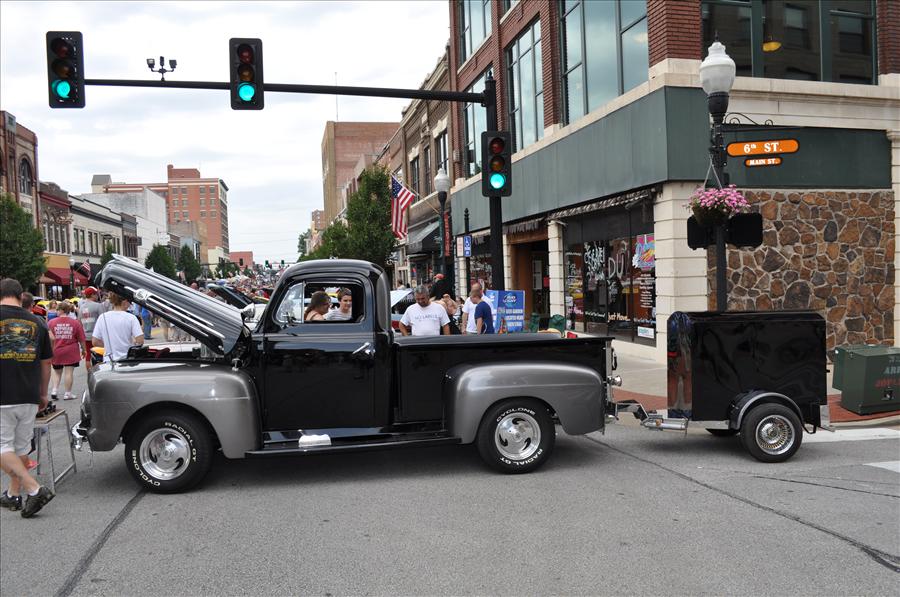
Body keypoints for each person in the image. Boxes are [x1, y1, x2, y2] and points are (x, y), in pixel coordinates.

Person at [0, 278, 55, 517]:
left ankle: (34, 489)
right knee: (20, 448)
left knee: (3, 447)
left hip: (3, 395)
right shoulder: (38, 322)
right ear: (21, 296)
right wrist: (43, 393)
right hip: (29, 394)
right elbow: (46, 363)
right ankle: (13, 494)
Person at [47, 301, 86, 401]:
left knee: (56, 372)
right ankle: (67, 393)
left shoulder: (51, 323)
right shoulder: (75, 323)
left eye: (57, 310)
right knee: (69, 372)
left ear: (61, 310)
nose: (56, 311)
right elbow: (81, 338)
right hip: (70, 350)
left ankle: (54, 390)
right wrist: (84, 350)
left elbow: (48, 338)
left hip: (56, 350)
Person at [91, 292, 144, 362]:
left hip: (108, 360)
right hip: (126, 359)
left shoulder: (102, 317)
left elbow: (95, 341)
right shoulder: (131, 318)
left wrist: (109, 346)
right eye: (130, 302)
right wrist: (133, 343)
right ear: (124, 302)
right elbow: (140, 341)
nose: (129, 305)